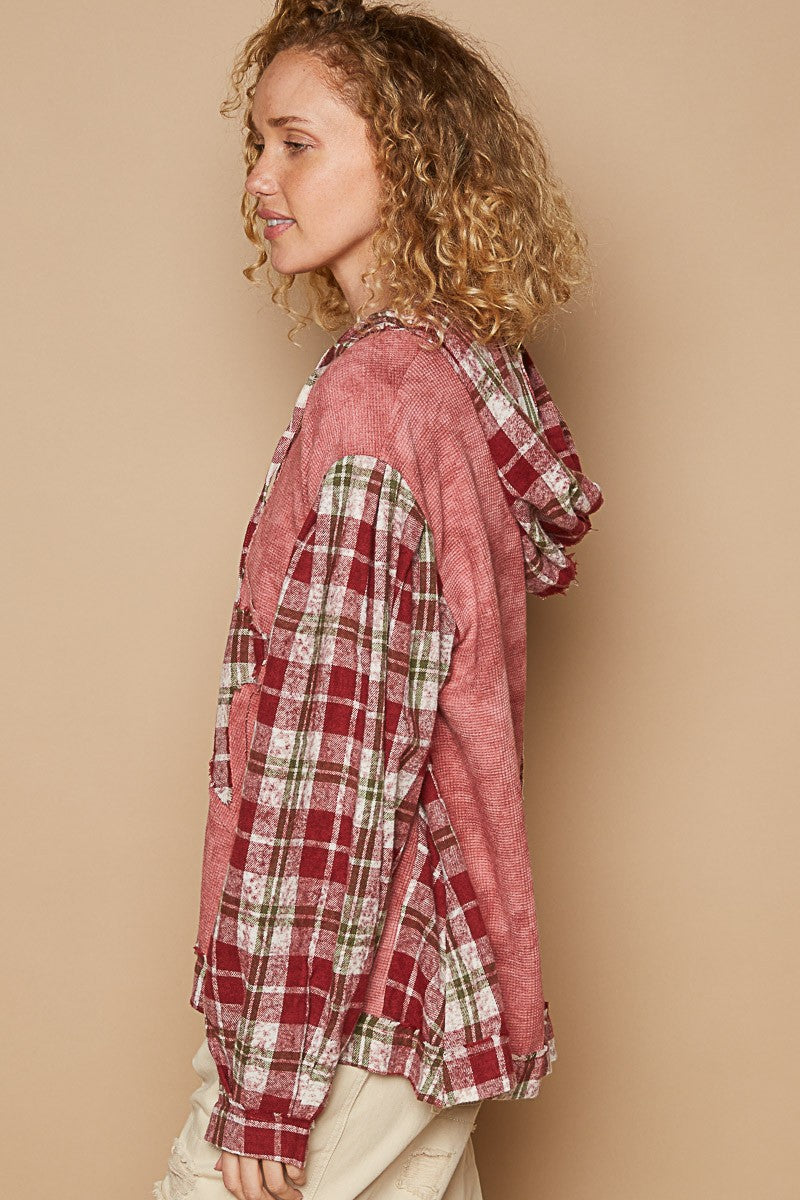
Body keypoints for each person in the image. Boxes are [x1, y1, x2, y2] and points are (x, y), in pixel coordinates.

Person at [153, 1, 604, 1198]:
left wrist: (266, 1087)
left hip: (356, 1007)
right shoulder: (459, 376)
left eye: (296, 144)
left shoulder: (374, 403)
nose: (260, 179)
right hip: (427, 982)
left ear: (406, 162)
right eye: (256, 145)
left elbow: (334, 769)